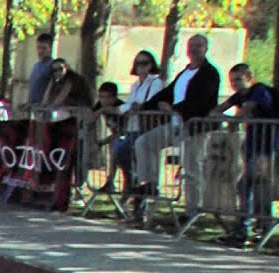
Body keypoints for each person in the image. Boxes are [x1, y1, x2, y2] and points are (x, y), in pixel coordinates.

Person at [131, 34, 221, 210]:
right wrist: (145, 106)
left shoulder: (209, 73)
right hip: (175, 125)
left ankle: (193, 210)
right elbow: (167, 93)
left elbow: (199, 101)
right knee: (144, 142)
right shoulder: (185, 72)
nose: (194, 50)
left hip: (195, 127)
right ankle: (150, 184)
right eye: (191, 46)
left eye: (199, 46)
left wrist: (173, 108)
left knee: (192, 169)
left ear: (206, 48)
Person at [210, 64, 275, 246]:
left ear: (249, 77)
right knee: (254, 186)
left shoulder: (258, 91)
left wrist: (231, 120)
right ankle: (256, 227)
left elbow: (244, 112)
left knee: (247, 184)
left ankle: (247, 228)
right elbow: (217, 110)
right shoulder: (240, 95)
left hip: (267, 145)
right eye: (232, 81)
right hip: (252, 143)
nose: (235, 84)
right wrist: (224, 118)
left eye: (239, 79)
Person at [112, 50, 164, 196]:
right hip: (132, 126)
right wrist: (123, 108)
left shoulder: (155, 82)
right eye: (138, 63)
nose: (141, 67)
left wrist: (135, 107)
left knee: (126, 153)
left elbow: (149, 103)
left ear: (151, 65)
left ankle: (141, 188)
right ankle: (134, 186)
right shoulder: (135, 85)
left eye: (145, 63)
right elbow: (128, 104)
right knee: (121, 153)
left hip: (146, 126)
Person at [27, 33, 54, 107]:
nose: (40, 51)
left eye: (44, 48)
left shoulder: (53, 66)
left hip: (45, 109)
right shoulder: (36, 66)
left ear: (50, 48)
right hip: (34, 108)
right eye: (39, 48)